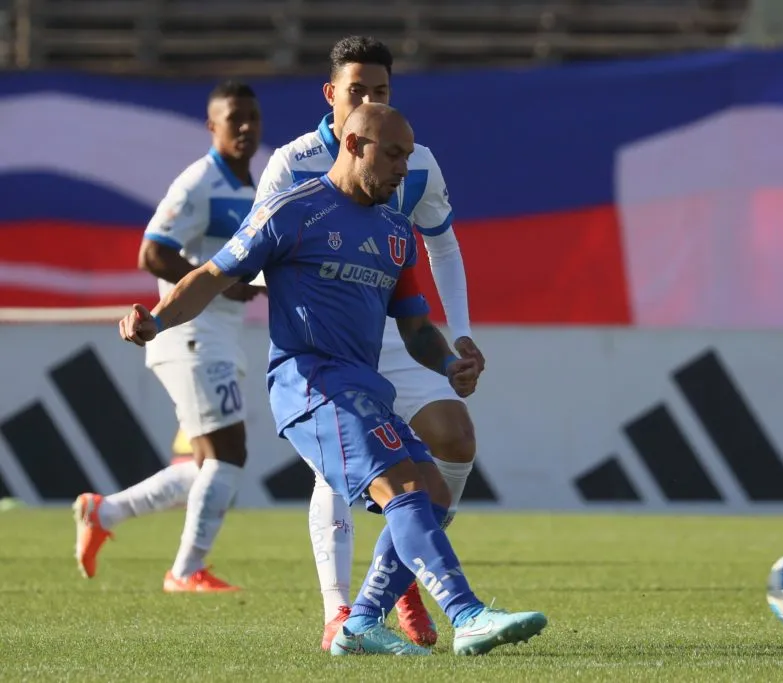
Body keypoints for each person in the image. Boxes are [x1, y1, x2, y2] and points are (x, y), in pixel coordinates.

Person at [118, 103, 547, 656]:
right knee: (406, 489)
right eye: (392, 154)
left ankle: (362, 621)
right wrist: (156, 320)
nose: (402, 168)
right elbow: (210, 275)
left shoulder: (397, 230)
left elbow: (415, 327)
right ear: (353, 145)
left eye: (408, 156)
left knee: (435, 493)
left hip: (363, 386)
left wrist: (448, 365)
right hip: (310, 382)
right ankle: (467, 614)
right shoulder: (293, 211)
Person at [255, 35, 480, 649]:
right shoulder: (294, 163)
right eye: (357, 90)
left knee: (455, 438)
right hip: (325, 343)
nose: (369, 100)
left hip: (402, 334)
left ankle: (397, 574)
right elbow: (255, 252)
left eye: (380, 91)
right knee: (343, 476)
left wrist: (459, 336)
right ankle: (340, 611)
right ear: (332, 94)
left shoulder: (415, 160)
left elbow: (442, 243)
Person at [74, 80, 264, 592]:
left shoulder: (248, 187)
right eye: (234, 119)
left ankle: (105, 512)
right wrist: (218, 284)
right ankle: (186, 571)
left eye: (252, 117)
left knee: (205, 462)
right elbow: (152, 253)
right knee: (229, 454)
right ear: (212, 126)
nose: (245, 127)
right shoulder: (199, 182)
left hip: (218, 335)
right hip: (190, 333)